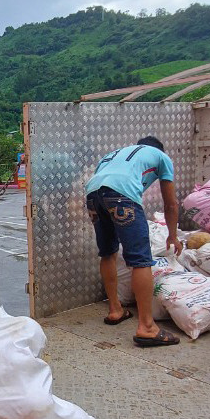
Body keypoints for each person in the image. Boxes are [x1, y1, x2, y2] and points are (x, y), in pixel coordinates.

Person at [85, 135, 182, 347]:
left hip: (93, 195)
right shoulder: (161, 156)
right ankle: (147, 327)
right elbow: (171, 204)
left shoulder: (113, 155)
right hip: (122, 196)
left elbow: (103, 186)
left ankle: (115, 310)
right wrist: (172, 235)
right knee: (140, 259)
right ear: (159, 149)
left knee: (108, 252)